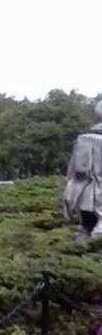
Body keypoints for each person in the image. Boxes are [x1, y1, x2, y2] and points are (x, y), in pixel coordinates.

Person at [63, 101, 102, 242]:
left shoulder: (82, 139)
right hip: (98, 202)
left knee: (85, 231)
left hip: (83, 197)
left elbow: (71, 171)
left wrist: (69, 193)